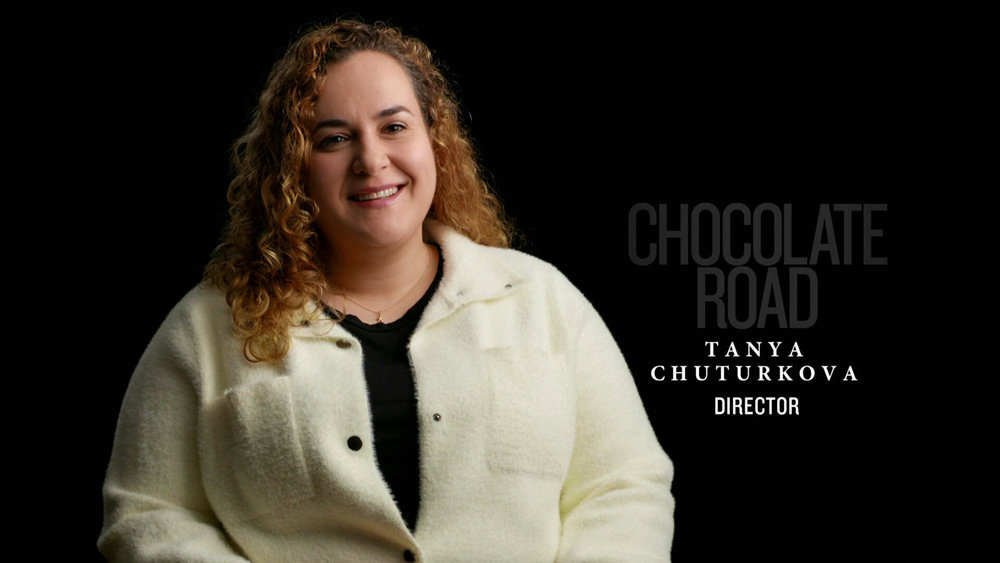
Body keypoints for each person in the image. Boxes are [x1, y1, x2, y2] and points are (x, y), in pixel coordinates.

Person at [99, 19, 674, 562]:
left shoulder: (543, 300)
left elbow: (624, 486)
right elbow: (147, 512)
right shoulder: (206, 329)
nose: (371, 160)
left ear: (434, 143)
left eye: (394, 127)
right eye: (334, 138)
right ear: (294, 169)